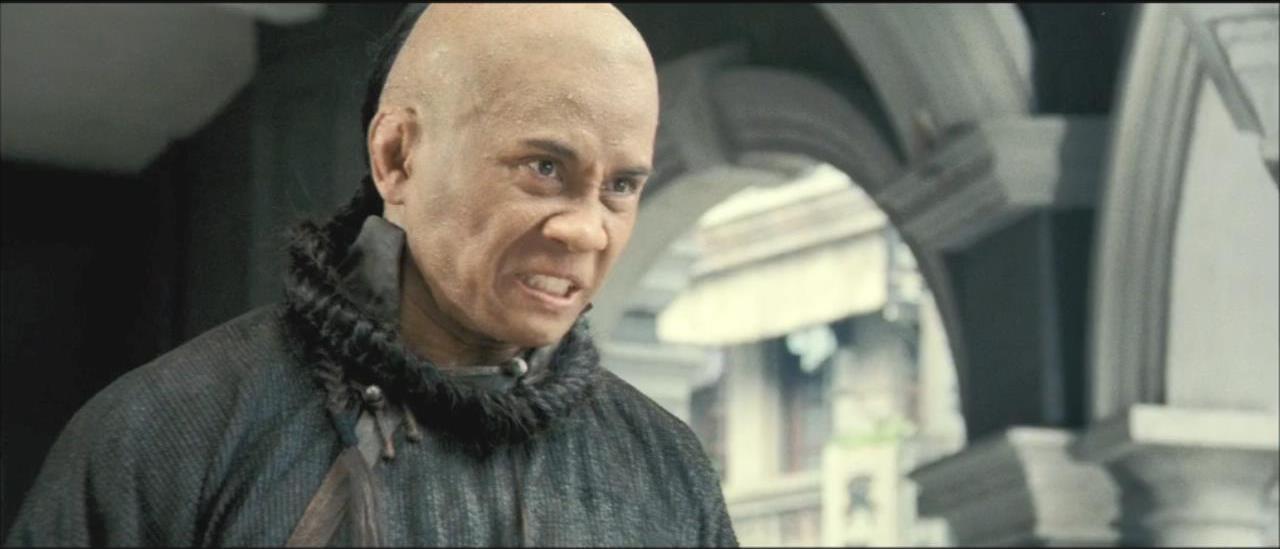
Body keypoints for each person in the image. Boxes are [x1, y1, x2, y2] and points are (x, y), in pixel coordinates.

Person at [5, 4, 738, 546]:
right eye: (544, 168)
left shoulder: (666, 469)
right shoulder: (171, 433)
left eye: (621, 187)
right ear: (396, 156)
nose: (587, 230)